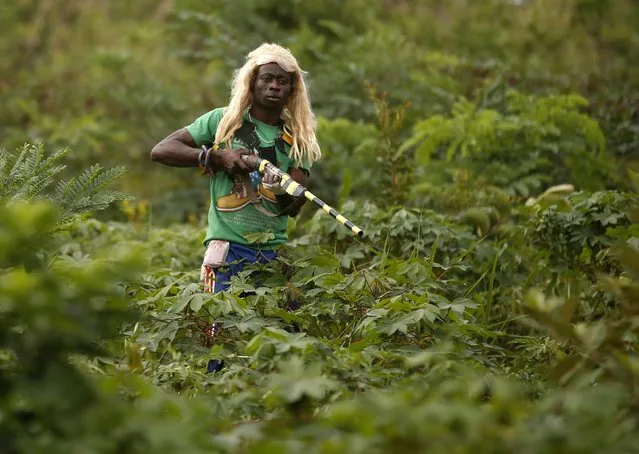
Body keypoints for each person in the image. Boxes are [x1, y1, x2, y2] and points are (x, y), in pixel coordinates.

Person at [150, 43, 321, 371]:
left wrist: (280, 188)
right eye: (267, 79)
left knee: (286, 342)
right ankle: (216, 407)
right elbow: (162, 150)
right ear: (252, 82)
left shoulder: (297, 138)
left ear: (292, 89)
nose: (274, 86)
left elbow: (294, 206)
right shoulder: (222, 122)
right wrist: (214, 156)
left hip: (273, 256)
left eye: (282, 81)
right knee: (220, 341)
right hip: (227, 253)